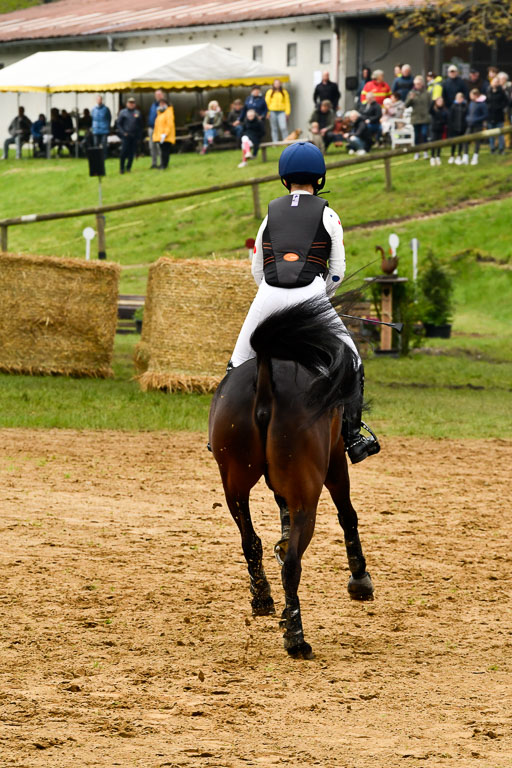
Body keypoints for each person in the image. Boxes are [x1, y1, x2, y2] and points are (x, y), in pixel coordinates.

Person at [229, 141, 380, 463]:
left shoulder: (269, 213)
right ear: (320, 179)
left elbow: (257, 267)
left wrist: (273, 294)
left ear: (284, 180)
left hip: (267, 294)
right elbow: (337, 271)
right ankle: (353, 437)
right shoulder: (328, 214)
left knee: (237, 363)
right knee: (353, 362)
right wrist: (318, 300)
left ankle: (224, 435)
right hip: (311, 292)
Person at [405, 75, 431, 159]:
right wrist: (411, 99)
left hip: (424, 117)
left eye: (419, 84)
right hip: (415, 118)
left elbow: (430, 104)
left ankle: (425, 151)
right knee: (416, 136)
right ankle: (417, 152)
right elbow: (406, 105)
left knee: (424, 134)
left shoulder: (427, 93)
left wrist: (428, 114)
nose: (417, 86)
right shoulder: (411, 93)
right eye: (416, 84)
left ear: (422, 84)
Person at [117, 96, 144, 174]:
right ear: (127, 104)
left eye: (133, 103)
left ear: (135, 104)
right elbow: (119, 124)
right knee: (123, 152)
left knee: (132, 153)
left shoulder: (137, 113)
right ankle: (121, 168)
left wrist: (139, 136)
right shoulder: (123, 112)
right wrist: (123, 133)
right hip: (126, 136)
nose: (131, 104)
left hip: (134, 136)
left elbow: (140, 125)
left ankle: (128, 167)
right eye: (130, 103)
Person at [465, 88, 488, 165]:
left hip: (478, 125)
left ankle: (475, 157)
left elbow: (485, 115)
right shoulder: (471, 103)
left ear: (475, 95)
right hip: (470, 125)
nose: (470, 97)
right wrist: (468, 119)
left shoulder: (482, 104)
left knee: (477, 141)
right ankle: (465, 156)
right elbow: (468, 113)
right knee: (465, 139)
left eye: (471, 95)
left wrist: (476, 119)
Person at [487, 76, 509, 154]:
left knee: (500, 134)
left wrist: (500, 107)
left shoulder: (501, 91)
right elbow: (486, 102)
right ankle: (492, 149)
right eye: (494, 81)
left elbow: (506, 101)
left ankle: (501, 149)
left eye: (496, 81)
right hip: (490, 116)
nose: (495, 83)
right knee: (491, 134)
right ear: (491, 82)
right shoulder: (488, 91)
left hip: (499, 116)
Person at [152, 98, 175, 170]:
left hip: (166, 136)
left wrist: (165, 134)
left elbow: (169, 124)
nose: (161, 105)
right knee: (162, 151)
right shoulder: (160, 113)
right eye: (160, 104)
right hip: (161, 136)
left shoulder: (168, 112)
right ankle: (162, 164)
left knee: (165, 151)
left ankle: (164, 165)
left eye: (163, 103)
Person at [447, 92, 468, 164]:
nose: (458, 99)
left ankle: (459, 155)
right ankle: (452, 155)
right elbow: (450, 118)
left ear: (462, 98)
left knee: (460, 142)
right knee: (454, 142)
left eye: (460, 98)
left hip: (462, 127)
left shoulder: (465, 106)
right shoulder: (453, 106)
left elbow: (466, 116)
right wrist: (451, 127)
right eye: (457, 98)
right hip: (454, 128)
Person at [147, 88, 165, 169]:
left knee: (159, 147)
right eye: (156, 95)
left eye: (159, 94)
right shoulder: (153, 104)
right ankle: (154, 163)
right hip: (151, 128)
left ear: (162, 95)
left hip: (159, 129)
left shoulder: (164, 105)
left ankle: (162, 163)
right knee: (152, 146)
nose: (158, 96)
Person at [429, 97, 449, 165]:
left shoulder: (444, 110)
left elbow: (446, 119)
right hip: (434, 129)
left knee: (439, 143)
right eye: (438, 101)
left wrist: (444, 123)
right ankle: (432, 157)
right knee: (433, 143)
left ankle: (438, 156)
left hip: (441, 129)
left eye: (441, 101)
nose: (440, 102)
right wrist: (433, 100)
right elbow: (429, 110)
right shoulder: (434, 110)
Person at [91, 94, 111, 159]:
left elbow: (109, 118)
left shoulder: (106, 109)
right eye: (97, 99)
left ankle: (104, 156)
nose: (99, 100)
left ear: (101, 100)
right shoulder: (93, 109)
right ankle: (96, 157)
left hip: (104, 129)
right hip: (96, 129)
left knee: (104, 144)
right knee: (95, 144)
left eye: (100, 99)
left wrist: (107, 126)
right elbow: (92, 118)